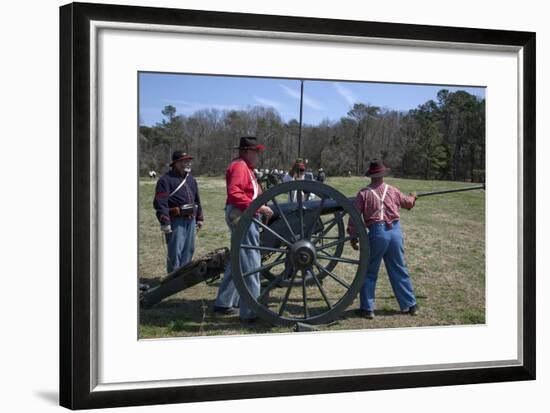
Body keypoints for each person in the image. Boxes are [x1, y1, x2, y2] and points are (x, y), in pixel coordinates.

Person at [347, 159, 418, 319]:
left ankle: (368, 308)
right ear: (383, 174)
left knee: (369, 271)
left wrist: (353, 235)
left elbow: (354, 217)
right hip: (395, 232)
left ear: (370, 176)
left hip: (377, 233)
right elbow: (407, 203)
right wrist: (413, 197)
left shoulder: (363, 193)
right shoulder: (392, 190)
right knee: (399, 269)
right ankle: (411, 305)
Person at [214, 136, 273, 323]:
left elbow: (251, 192)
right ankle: (250, 311)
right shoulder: (240, 166)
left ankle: (224, 302)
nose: (258, 155)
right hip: (241, 215)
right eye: (256, 151)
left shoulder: (247, 168)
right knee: (250, 263)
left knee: (239, 260)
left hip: (244, 213)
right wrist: (259, 207)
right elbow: (235, 193)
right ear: (247, 151)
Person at [153, 151, 204, 274]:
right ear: (175, 163)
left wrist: (199, 218)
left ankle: (184, 276)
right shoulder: (165, 180)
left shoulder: (191, 179)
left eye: (188, 160)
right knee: (175, 251)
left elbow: (197, 200)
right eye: (183, 161)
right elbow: (160, 203)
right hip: (176, 219)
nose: (187, 163)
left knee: (189, 249)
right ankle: (173, 277)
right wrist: (165, 221)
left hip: (191, 219)